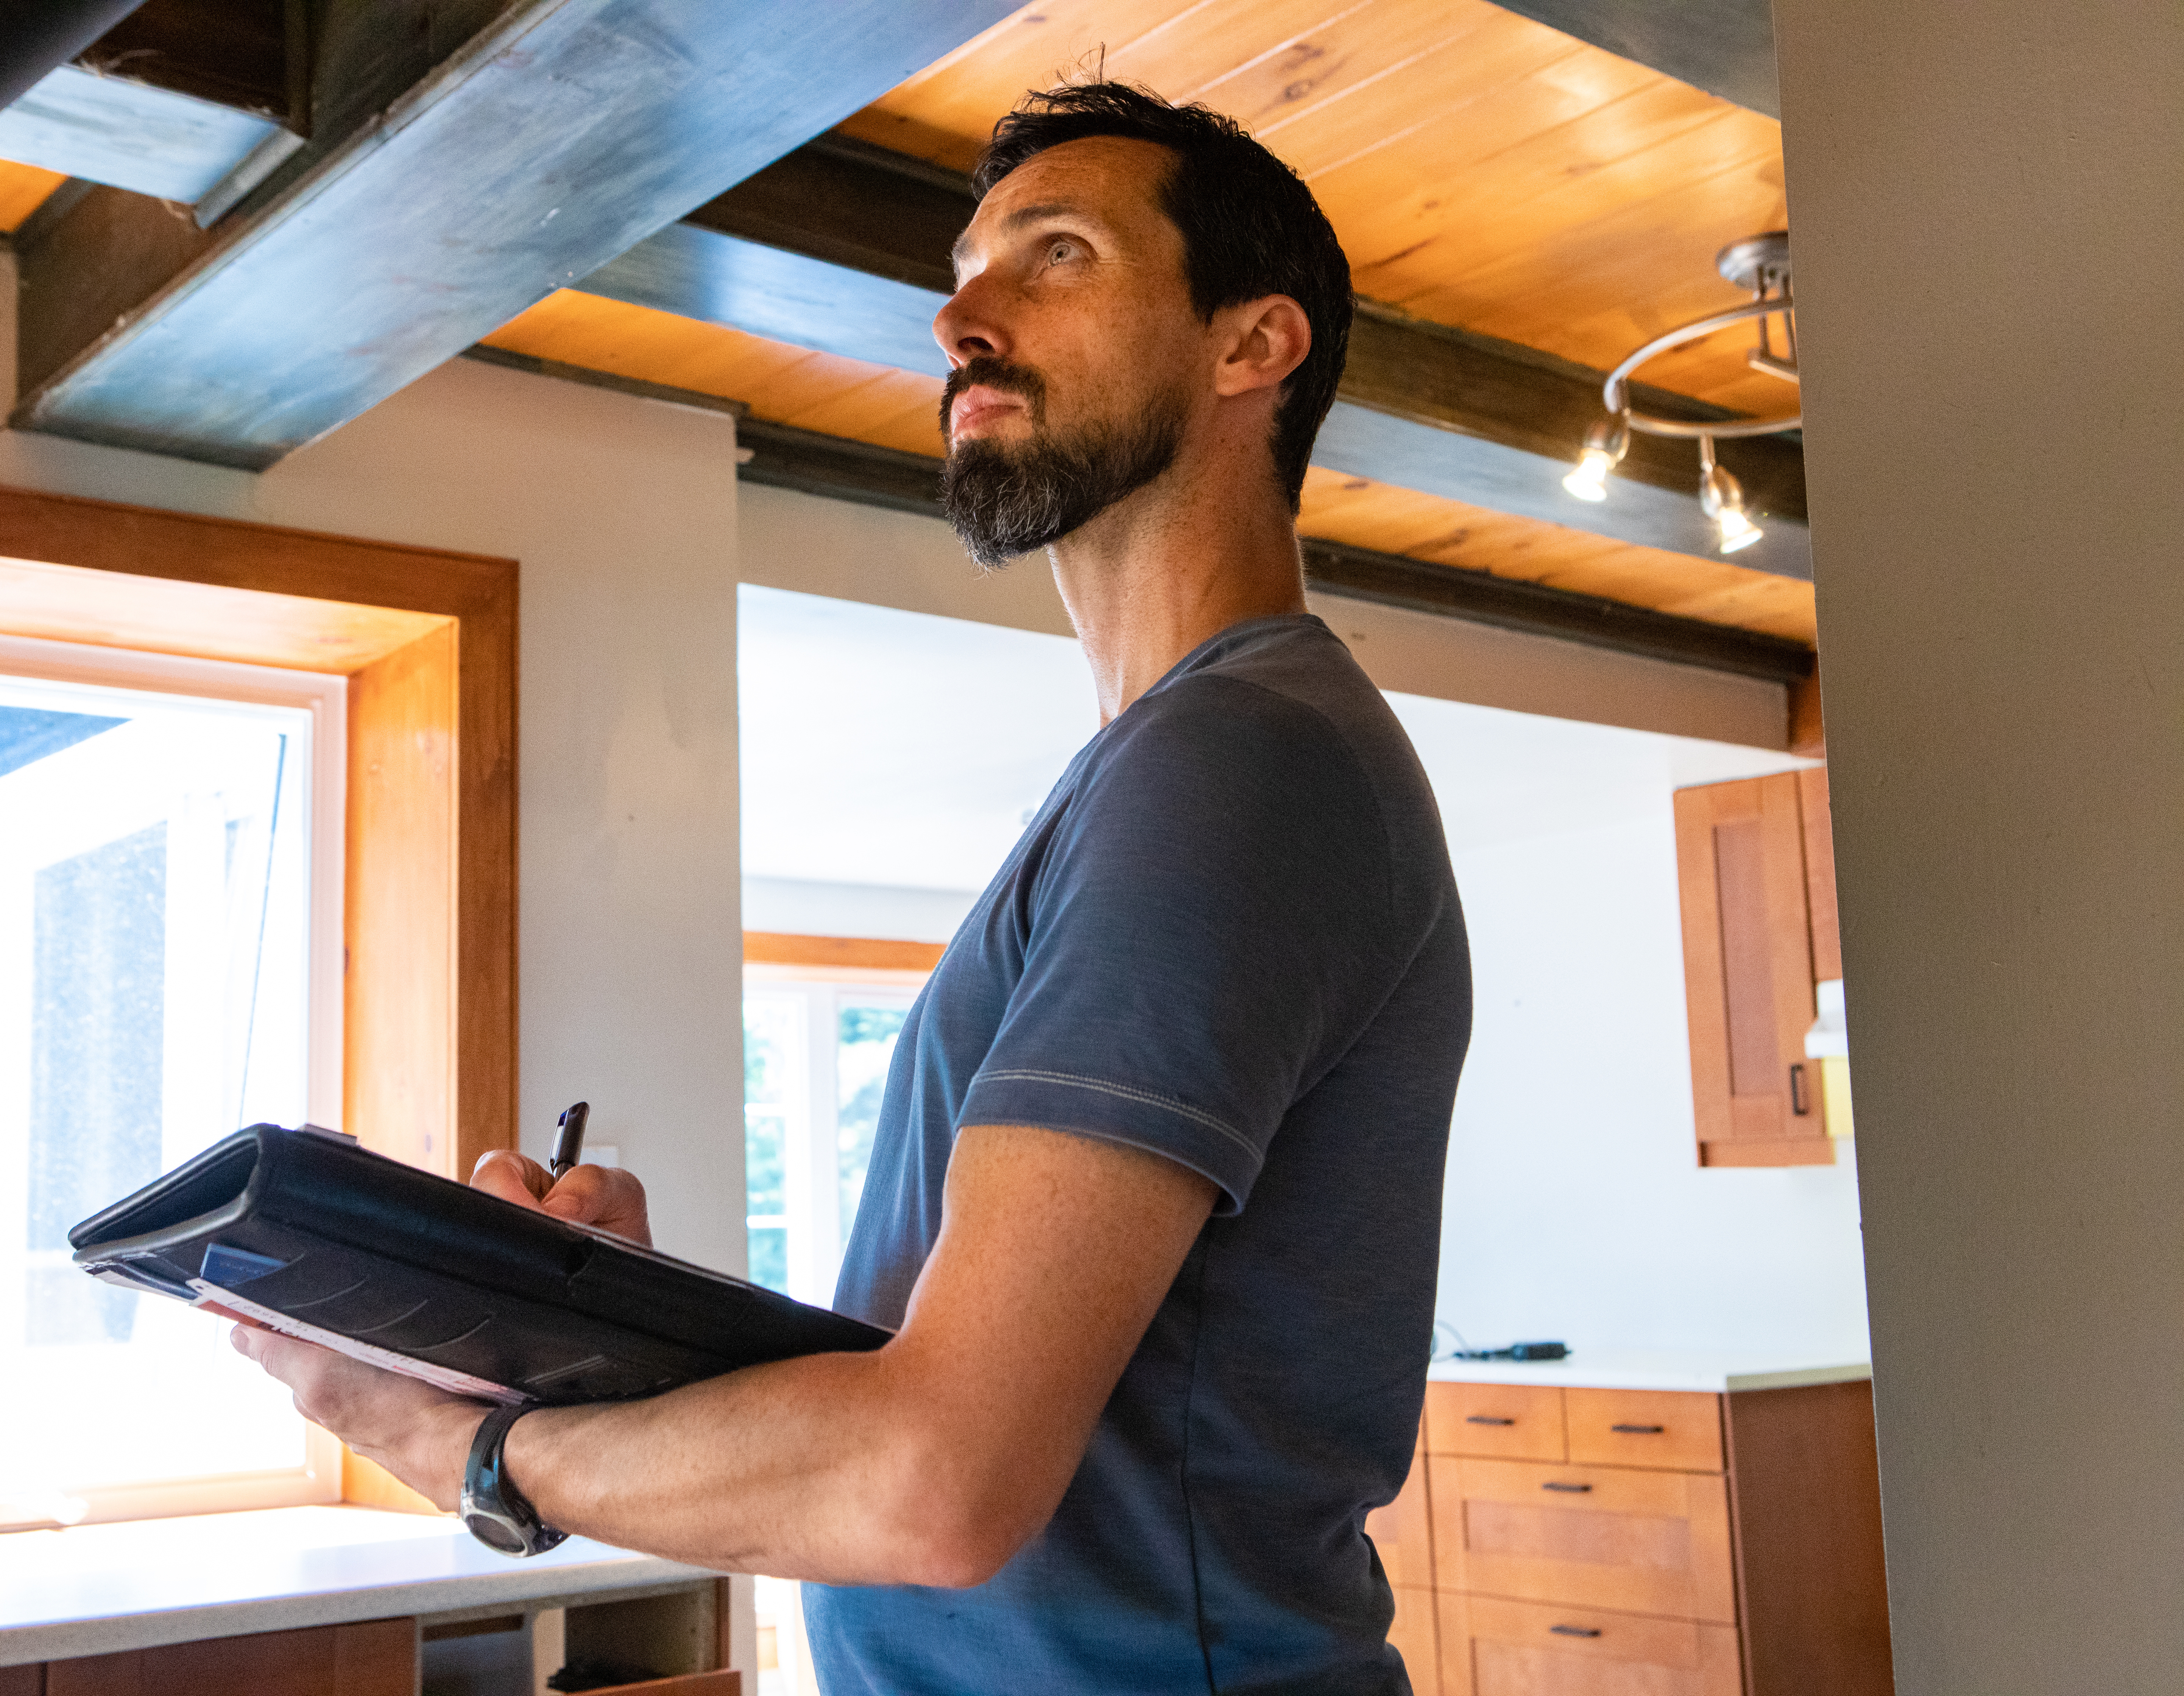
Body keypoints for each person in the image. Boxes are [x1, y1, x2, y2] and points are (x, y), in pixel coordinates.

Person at [235, 81, 1471, 1695]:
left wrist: (488, 1453)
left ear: (1255, 346)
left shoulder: (1235, 766)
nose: (962, 315)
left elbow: (934, 1481)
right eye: (966, 271)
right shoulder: (1180, 767)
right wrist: (621, 1323)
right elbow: (952, 1389)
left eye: (1058, 255)